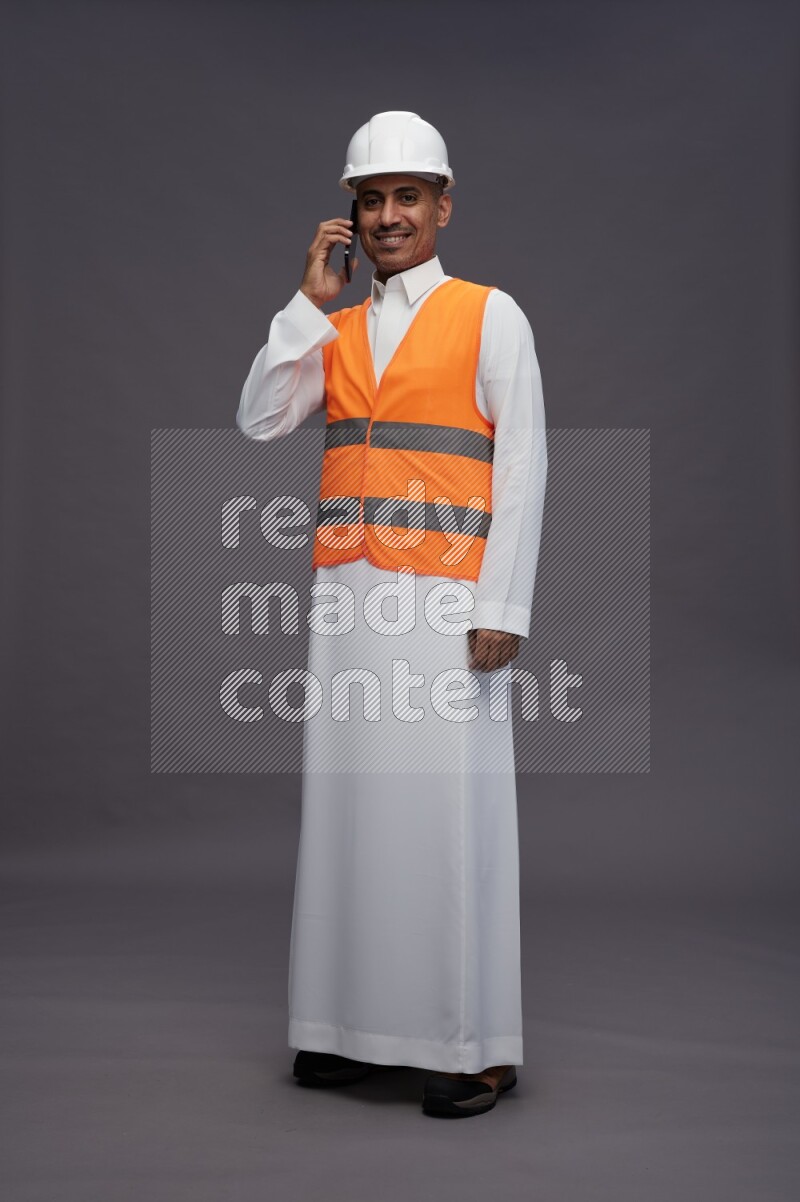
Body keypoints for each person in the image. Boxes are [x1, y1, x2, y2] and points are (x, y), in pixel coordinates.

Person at [236, 111, 548, 1118]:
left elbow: (524, 466)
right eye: (369, 200)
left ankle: (472, 1043)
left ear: (442, 205)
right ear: (350, 217)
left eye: (406, 196)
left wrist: (503, 603)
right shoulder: (331, 327)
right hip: (349, 597)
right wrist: (303, 302)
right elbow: (259, 419)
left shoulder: (489, 314)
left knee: (448, 814)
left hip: (450, 602)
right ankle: (341, 1030)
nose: (387, 216)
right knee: (350, 808)